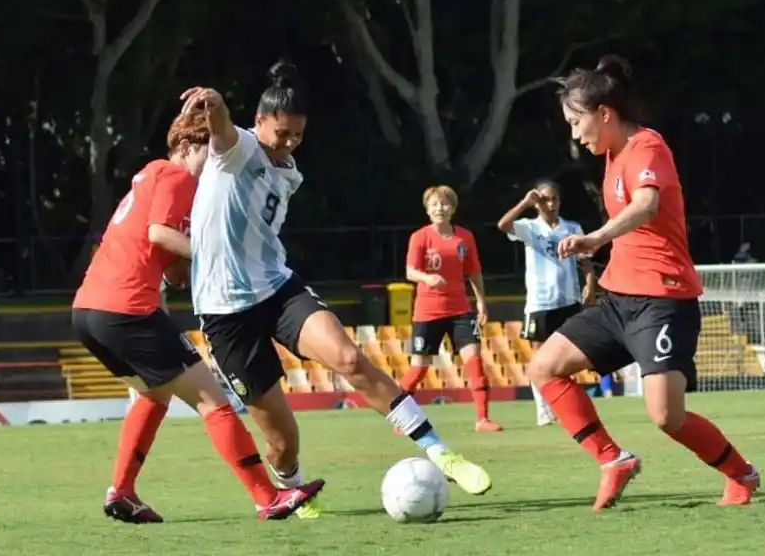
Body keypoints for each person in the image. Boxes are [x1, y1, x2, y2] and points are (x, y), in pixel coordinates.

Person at [182, 62, 492, 517]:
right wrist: (215, 105)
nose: (288, 144)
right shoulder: (238, 148)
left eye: (297, 137)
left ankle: (439, 450)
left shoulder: (289, 173)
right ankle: (293, 485)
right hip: (225, 314)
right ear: (260, 122)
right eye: (282, 133)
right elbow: (223, 129)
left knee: (349, 357)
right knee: (282, 445)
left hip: (277, 290)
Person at [527, 54, 760, 512]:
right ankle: (613, 460)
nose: (575, 134)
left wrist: (595, 238)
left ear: (605, 114)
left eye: (577, 122)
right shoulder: (612, 155)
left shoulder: (647, 146)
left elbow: (647, 204)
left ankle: (741, 473)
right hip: (618, 300)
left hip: (663, 301)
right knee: (543, 368)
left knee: (666, 417)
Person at [72, 112, 324, 524]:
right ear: (186, 148)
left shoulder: (149, 177)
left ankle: (122, 490)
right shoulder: (177, 177)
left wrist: (191, 268)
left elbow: (165, 257)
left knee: (154, 396)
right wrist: (222, 255)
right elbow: (158, 233)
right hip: (127, 309)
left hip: (89, 313)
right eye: (211, 152)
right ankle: (267, 497)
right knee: (212, 400)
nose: (217, 162)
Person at [401, 185, 502, 433]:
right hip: (427, 311)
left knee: (475, 361)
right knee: (419, 368)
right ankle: (401, 418)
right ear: (427, 209)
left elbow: (474, 271)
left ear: (453, 208)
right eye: (434, 204)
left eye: (444, 204)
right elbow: (410, 271)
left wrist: (480, 301)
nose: (440, 208)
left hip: (460, 309)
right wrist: (427, 278)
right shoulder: (420, 237)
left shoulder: (464, 237)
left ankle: (482, 419)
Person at [497, 180, 595, 426]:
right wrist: (524, 202)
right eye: (544, 199)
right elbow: (503, 225)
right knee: (539, 357)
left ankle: (566, 404)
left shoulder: (572, 228)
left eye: (553, 199)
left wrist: (590, 283)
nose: (549, 204)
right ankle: (543, 409)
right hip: (540, 303)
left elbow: (585, 260)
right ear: (536, 202)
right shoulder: (529, 228)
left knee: (570, 355)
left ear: (560, 201)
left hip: (568, 300)